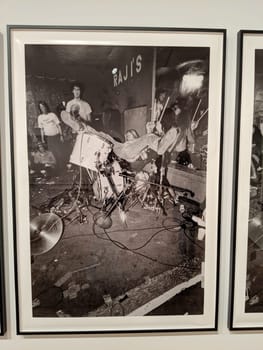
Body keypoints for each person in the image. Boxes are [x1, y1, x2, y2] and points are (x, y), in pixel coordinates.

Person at [37, 101, 64, 172]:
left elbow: (58, 125)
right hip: (48, 138)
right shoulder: (40, 117)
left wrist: (61, 136)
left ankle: (62, 168)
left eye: (43, 106)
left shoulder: (52, 115)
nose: (43, 108)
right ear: (40, 109)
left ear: (46, 107)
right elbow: (41, 129)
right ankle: (56, 169)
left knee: (59, 152)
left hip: (56, 136)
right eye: (41, 107)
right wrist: (43, 139)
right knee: (53, 153)